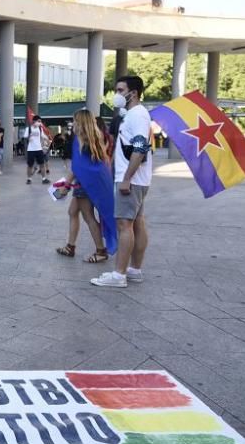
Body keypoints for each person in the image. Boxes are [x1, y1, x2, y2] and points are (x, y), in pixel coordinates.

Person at [92, 75, 152, 288]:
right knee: (137, 222)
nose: (116, 94)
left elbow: (140, 147)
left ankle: (119, 275)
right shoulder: (134, 114)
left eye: (120, 90)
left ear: (133, 93)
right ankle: (134, 270)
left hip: (131, 180)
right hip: (137, 179)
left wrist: (126, 178)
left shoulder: (137, 115)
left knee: (124, 225)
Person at [56, 109, 116, 263]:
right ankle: (70, 246)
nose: (73, 123)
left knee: (88, 217)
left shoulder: (80, 140)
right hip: (92, 182)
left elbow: (77, 167)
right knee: (72, 211)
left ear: (80, 122)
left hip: (84, 184)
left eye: (75, 120)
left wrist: (65, 186)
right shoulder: (95, 137)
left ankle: (100, 251)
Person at [26, 114, 51, 185]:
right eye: (39, 121)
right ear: (34, 121)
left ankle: (44, 179)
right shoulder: (29, 129)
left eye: (40, 121)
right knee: (30, 165)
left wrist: (47, 139)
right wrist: (29, 137)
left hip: (39, 149)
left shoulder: (40, 129)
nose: (40, 123)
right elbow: (25, 136)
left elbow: (43, 136)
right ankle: (29, 179)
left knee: (42, 164)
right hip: (30, 150)